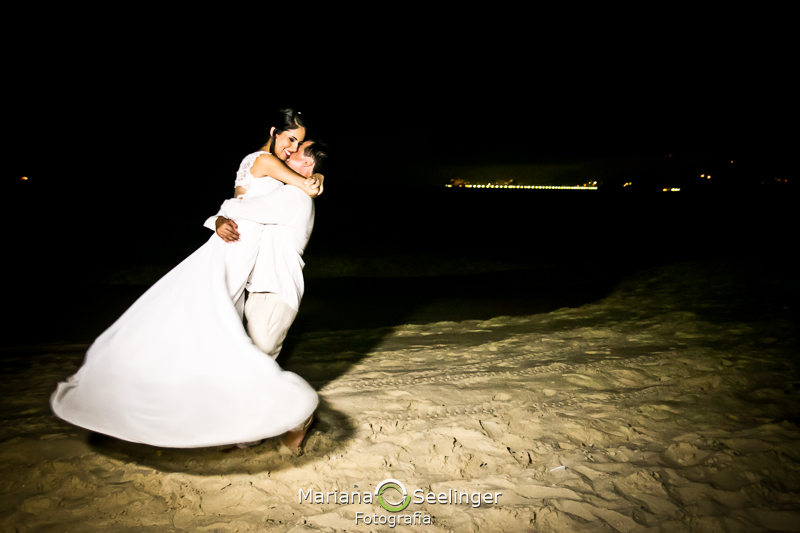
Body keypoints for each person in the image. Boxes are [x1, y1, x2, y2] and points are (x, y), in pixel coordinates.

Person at [50, 110, 322, 449]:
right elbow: (295, 186)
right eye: (290, 139)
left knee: (228, 342)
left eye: (298, 144)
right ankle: (235, 420)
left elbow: (272, 194)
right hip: (233, 251)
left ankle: (241, 424)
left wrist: (314, 177)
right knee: (214, 331)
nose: (292, 148)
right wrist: (313, 180)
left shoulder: (276, 177)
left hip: (245, 261)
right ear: (273, 132)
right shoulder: (265, 160)